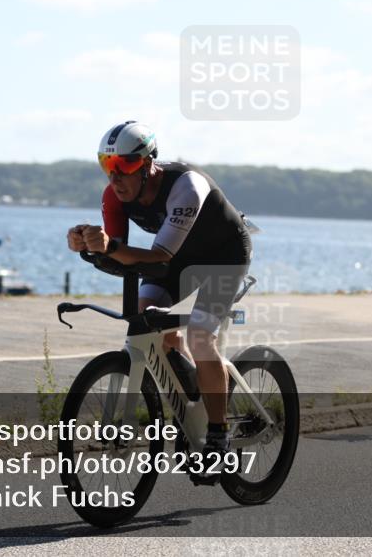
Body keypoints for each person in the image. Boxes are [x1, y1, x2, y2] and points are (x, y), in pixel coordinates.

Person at [65, 121, 252, 478]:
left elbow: (157, 256)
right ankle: (192, 385)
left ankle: (218, 436)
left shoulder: (186, 186)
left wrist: (112, 247)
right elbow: (118, 260)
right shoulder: (113, 197)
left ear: (149, 163)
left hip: (223, 255)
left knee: (200, 336)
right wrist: (88, 248)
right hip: (178, 255)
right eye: (107, 166)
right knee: (145, 316)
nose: (115, 178)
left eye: (125, 167)